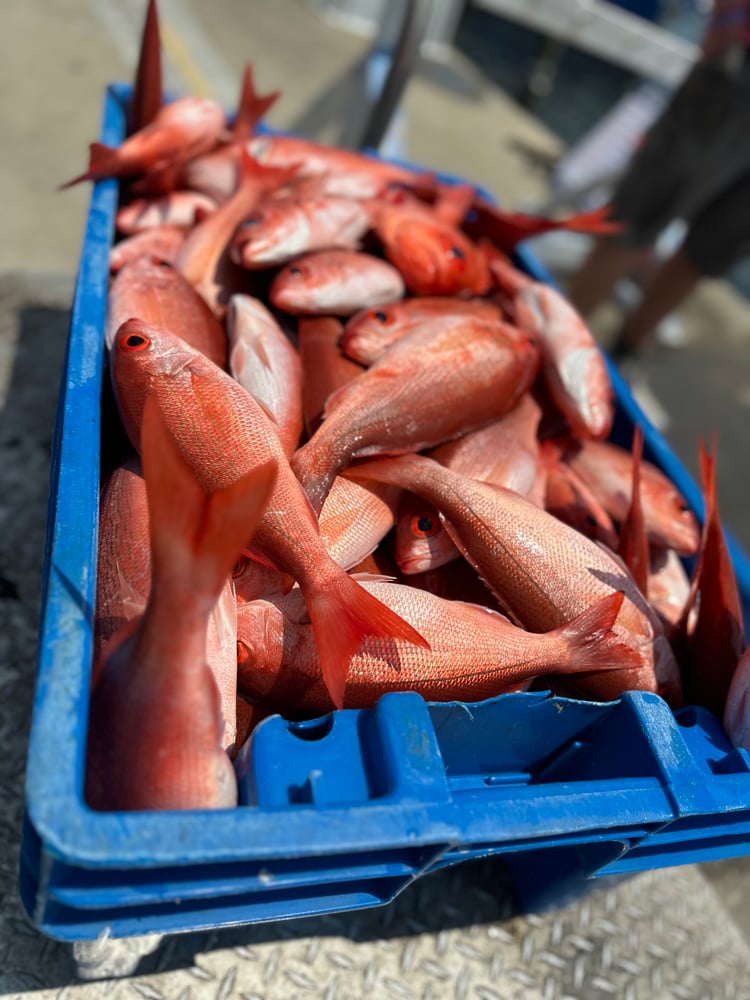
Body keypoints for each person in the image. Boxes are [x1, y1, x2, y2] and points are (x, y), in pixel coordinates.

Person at [567, 0, 750, 358]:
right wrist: (728, 18)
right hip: (738, 72)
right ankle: (553, 344)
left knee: (710, 251)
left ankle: (624, 356)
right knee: (635, 219)